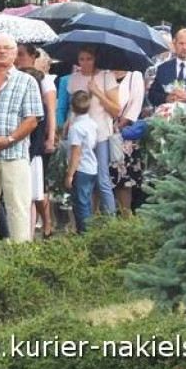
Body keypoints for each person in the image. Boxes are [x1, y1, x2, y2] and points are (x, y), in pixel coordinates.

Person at [0, 34, 43, 243]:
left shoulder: (27, 81)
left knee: (18, 207)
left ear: (15, 54)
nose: (2, 51)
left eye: (7, 48)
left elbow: (32, 120)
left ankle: (20, 257)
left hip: (15, 153)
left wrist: (9, 139)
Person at [66, 46, 120, 215]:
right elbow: (72, 105)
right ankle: (85, 221)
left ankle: (111, 221)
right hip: (79, 133)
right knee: (81, 177)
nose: (85, 63)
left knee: (102, 179)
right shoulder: (74, 79)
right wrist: (67, 123)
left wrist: (97, 92)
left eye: (89, 59)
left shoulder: (106, 76)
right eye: (81, 59)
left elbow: (116, 110)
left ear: (95, 58)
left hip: (100, 133)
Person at [16, 44, 56, 238]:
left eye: (21, 54)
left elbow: (49, 112)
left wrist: (50, 138)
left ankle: (43, 225)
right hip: (22, 146)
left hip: (35, 146)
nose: (17, 57)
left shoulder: (43, 81)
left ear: (33, 56)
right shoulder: (16, 76)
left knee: (36, 192)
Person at [109, 69, 146, 214]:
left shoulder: (135, 75)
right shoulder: (103, 73)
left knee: (124, 181)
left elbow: (135, 107)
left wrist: (117, 126)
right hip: (102, 131)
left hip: (124, 137)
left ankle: (126, 218)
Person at [65, 91, 98, 234]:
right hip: (92, 167)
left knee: (81, 204)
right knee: (86, 201)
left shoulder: (76, 128)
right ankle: (84, 231)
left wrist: (70, 174)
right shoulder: (92, 124)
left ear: (72, 108)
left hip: (81, 169)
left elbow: (76, 153)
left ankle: (85, 234)